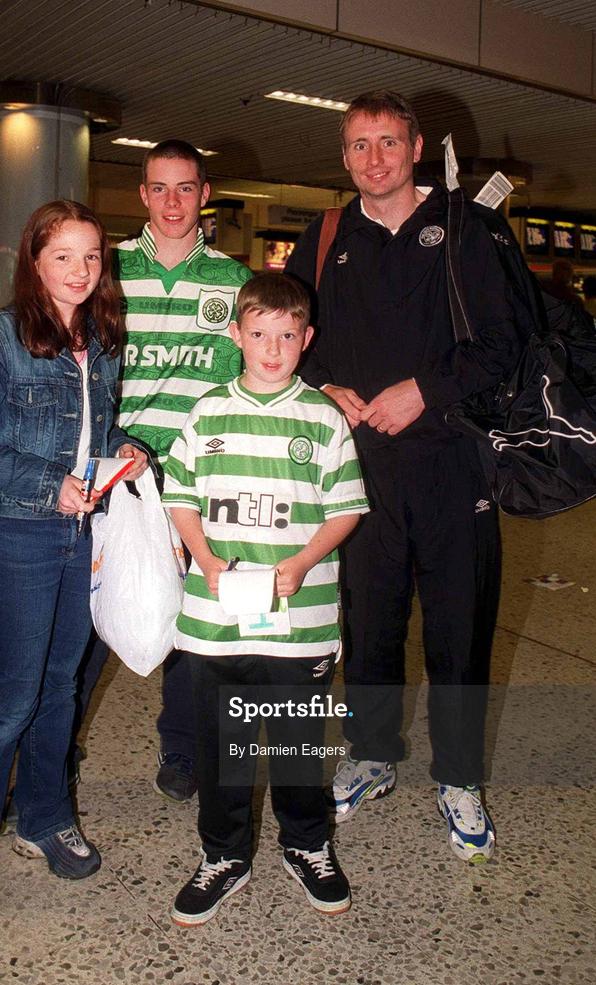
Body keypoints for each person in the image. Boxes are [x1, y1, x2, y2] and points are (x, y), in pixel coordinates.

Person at [285, 90, 528, 863]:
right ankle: (371, 753)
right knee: (370, 622)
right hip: (361, 473)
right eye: (358, 145)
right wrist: (324, 386)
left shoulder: (467, 228)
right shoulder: (327, 236)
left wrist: (421, 390)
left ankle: (458, 778)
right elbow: (293, 336)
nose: (372, 159)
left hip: (454, 464)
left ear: (416, 147)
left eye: (386, 142)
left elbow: (507, 341)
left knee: (458, 629)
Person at [0, 200, 149, 913]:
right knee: (13, 696)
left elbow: (94, 425)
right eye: (63, 256)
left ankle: (44, 818)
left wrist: (119, 448)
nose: (80, 271)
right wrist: (43, 483)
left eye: (92, 257)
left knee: (63, 688)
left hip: (87, 532)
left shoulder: (104, 338)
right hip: (24, 532)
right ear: (34, 261)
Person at [162, 273, 369, 925]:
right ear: (236, 335)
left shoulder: (321, 417)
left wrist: (303, 561)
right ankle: (223, 856)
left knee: (298, 743)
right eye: (259, 335)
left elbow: (344, 510)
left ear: (306, 339)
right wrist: (203, 558)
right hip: (215, 619)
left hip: (298, 625)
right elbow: (181, 497)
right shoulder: (207, 412)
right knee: (221, 746)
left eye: (286, 336)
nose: (272, 349)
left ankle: (306, 845)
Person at [111, 140, 253, 802]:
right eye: (159, 188)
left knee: (193, 623)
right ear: (142, 193)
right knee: (93, 615)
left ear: (204, 193)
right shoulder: (106, 270)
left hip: (199, 478)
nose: (172, 202)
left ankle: (183, 749)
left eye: (185, 188)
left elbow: (251, 373)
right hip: (120, 475)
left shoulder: (231, 280)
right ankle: (48, 753)